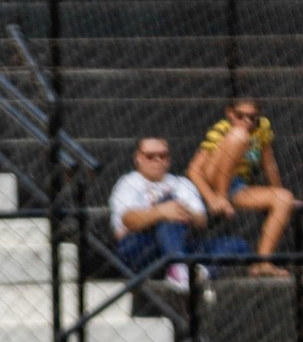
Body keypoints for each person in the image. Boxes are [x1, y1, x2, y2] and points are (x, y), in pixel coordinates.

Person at [109, 137, 247, 289]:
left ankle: (196, 273)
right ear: (138, 158)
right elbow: (128, 220)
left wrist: (182, 212)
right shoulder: (128, 183)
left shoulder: (182, 183)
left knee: (238, 245)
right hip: (141, 247)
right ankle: (180, 266)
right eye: (150, 156)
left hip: (183, 242)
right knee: (169, 204)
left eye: (163, 156)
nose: (157, 160)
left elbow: (201, 220)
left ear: (169, 159)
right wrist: (162, 211)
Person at [186, 98, 297, 277]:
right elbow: (193, 170)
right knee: (239, 135)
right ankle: (222, 195)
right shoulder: (223, 128)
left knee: (284, 197)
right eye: (240, 116)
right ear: (230, 113)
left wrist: (277, 189)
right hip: (210, 180)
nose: (246, 122)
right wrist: (214, 198)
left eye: (252, 117)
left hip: (237, 185)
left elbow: (268, 164)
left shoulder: (262, 128)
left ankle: (262, 262)